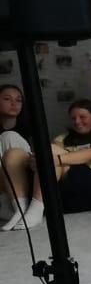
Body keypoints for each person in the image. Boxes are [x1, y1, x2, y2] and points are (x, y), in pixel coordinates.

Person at [0, 83, 45, 231]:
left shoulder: (30, 127)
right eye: (7, 99)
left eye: (18, 100)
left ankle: (20, 206)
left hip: (25, 170)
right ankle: (7, 203)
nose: (14, 103)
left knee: (8, 136)